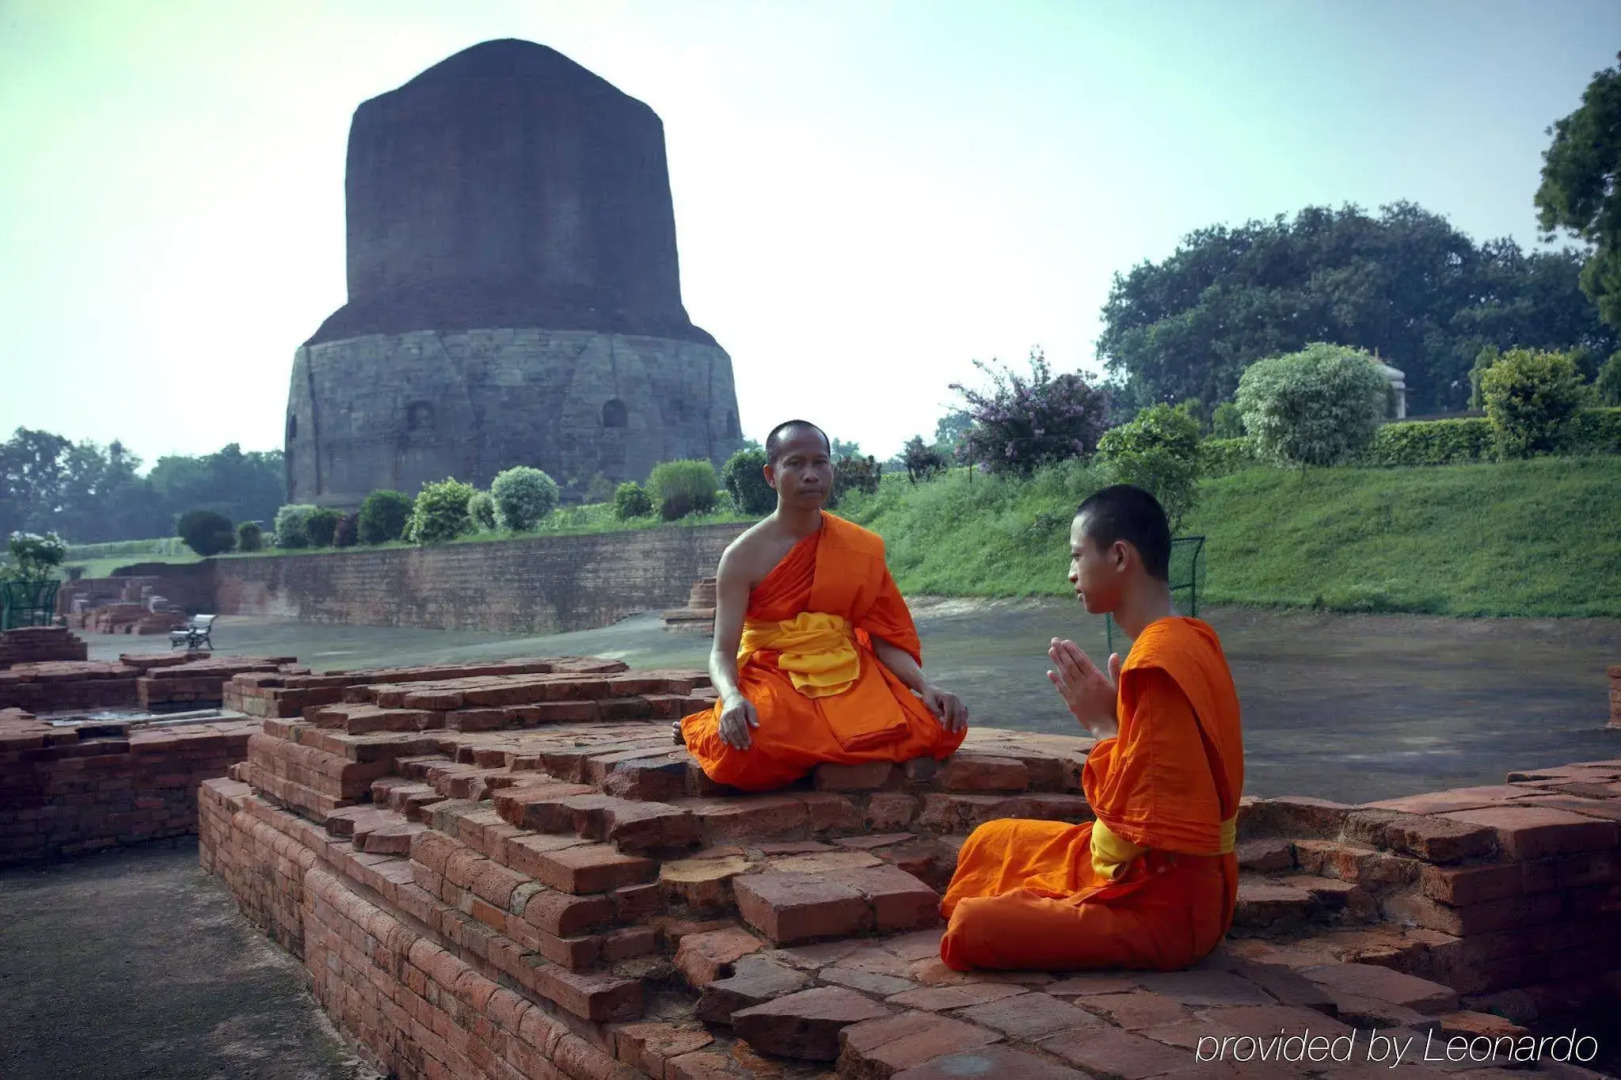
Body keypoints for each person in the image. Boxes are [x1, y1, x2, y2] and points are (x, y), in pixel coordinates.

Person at [937, 484, 1243, 971]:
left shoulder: (1159, 660)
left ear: (1119, 556)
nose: (1071, 572)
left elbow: (1143, 824)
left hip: (1164, 904)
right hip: (1138, 866)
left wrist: (1102, 726)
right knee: (991, 840)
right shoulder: (1192, 639)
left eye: (1077, 556)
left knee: (973, 926)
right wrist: (1118, 720)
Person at [677, 420, 969, 792]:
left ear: (832, 469)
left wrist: (927, 687)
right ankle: (711, 722)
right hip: (776, 672)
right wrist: (732, 697)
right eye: (795, 463)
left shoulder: (860, 547)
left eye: (820, 462)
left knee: (941, 728)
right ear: (770, 475)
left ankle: (814, 751)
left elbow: (883, 641)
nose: (811, 475)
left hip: (848, 669)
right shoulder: (741, 557)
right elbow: (722, 651)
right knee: (740, 751)